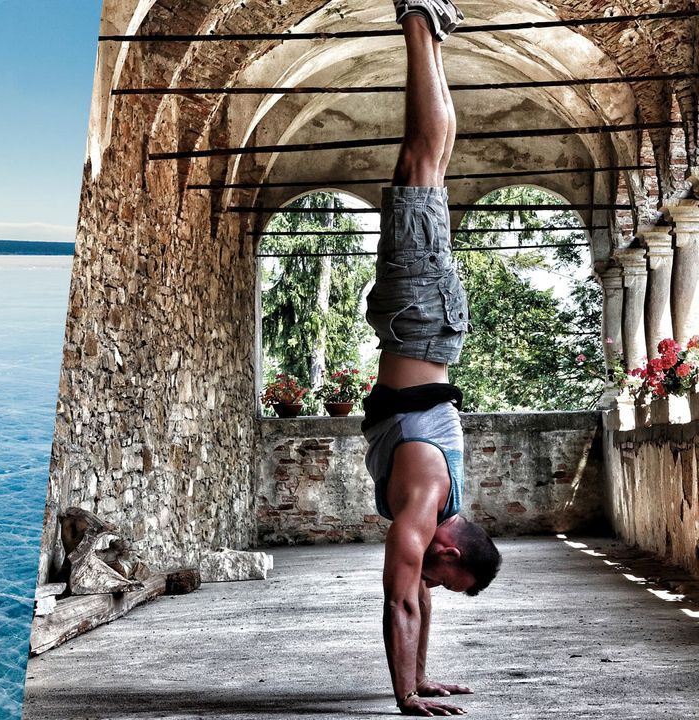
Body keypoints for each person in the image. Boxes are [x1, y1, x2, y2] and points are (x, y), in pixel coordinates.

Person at [361, 0, 502, 715]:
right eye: (447, 579)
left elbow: (418, 600)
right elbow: (402, 604)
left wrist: (421, 680)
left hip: (424, 328)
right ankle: (417, 20)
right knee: (424, 159)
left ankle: (432, 35)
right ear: (450, 551)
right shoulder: (422, 500)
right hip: (418, 325)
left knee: (424, 167)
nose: (432, 584)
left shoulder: (437, 505)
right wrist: (404, 698)